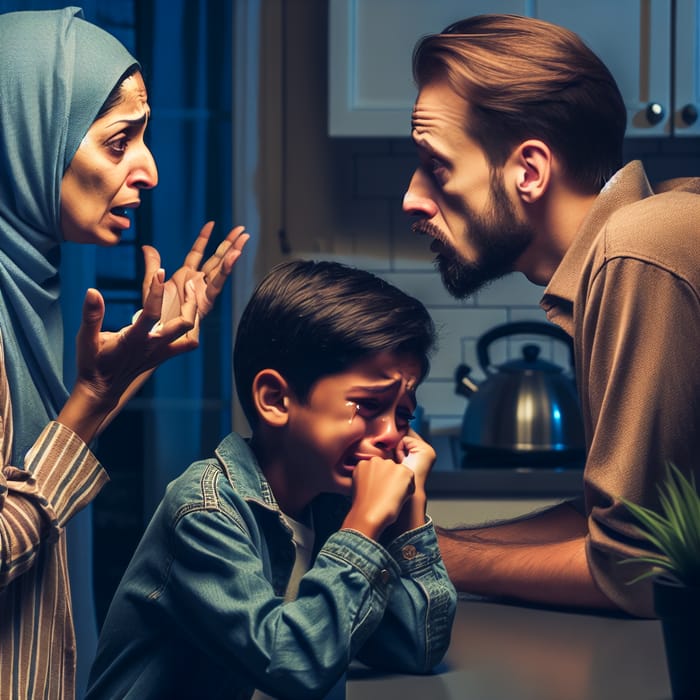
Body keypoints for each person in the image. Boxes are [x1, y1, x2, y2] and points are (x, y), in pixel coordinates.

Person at [401, 13, 700, 619]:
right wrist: (425, 547)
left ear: (529, 172)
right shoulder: (629, 243)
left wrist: (427, 563)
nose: (412, 198)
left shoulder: (638, 249)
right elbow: (614, 521)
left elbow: (638, 568)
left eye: (436, 165)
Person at [0, 6, 248, 699]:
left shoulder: (31, 283)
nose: (150, 170)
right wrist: (90, 403)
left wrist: (137, 360)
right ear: (28, 137)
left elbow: (37, 464)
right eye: (119, 143)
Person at [86, 259, 456, 700]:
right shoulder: (206, 510)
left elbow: (417, 646)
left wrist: (408, 515)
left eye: (403, 414)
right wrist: (363, 528)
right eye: (369, 406)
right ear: (276, 399)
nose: (392, 434)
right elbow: (293, 666)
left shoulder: (333, 502)